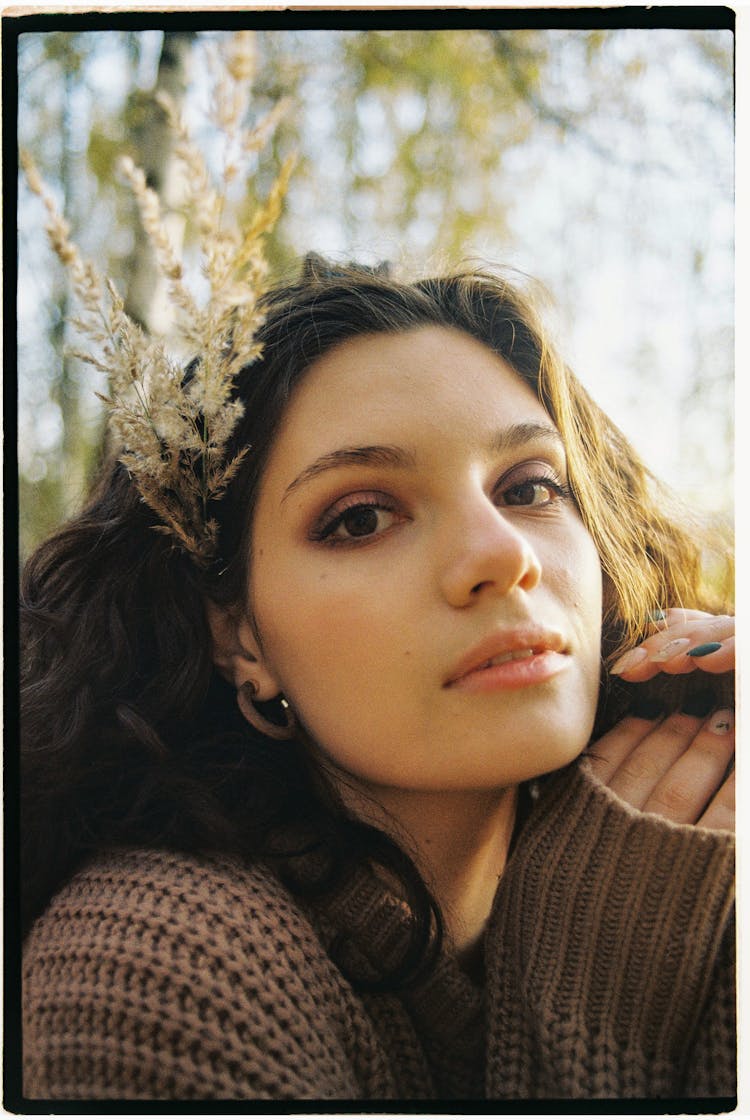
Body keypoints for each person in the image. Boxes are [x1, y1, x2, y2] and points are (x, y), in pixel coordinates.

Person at [21, 257, 735, 1102]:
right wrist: (588, 1018)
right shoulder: (153, 963)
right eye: (361, 518)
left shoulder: (686, 857)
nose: (504, 555)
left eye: (530, 487)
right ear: (239, 638)